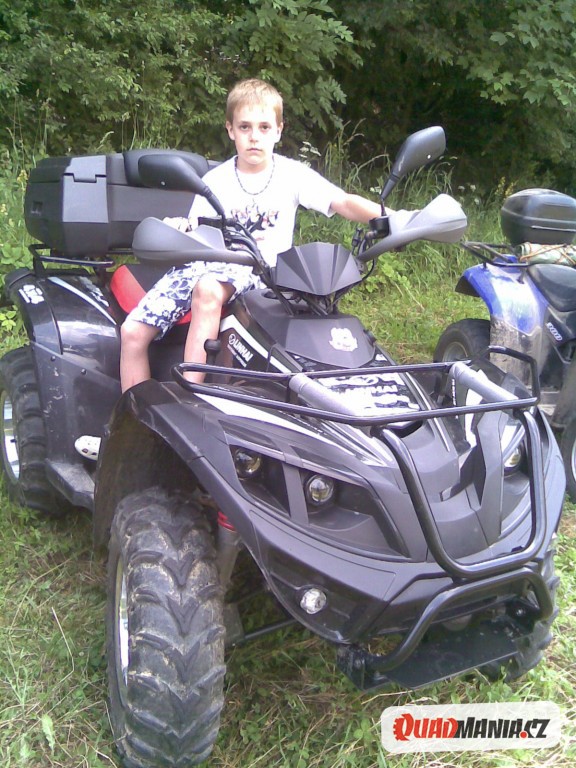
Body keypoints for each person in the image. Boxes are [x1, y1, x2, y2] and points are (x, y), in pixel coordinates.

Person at [74, 78, 383, 460]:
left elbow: (342, 202)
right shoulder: (214, 181)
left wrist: (390, 218)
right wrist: (178, 227)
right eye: (245, 127)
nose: (254, 137)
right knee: (133, 332)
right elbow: (195, 232)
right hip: (208, 263)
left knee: (207, 289)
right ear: (230, 130)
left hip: (261, 271)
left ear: (279, 130)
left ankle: (186, 406)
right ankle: (129, 437)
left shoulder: (292, 175)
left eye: (264, 127)